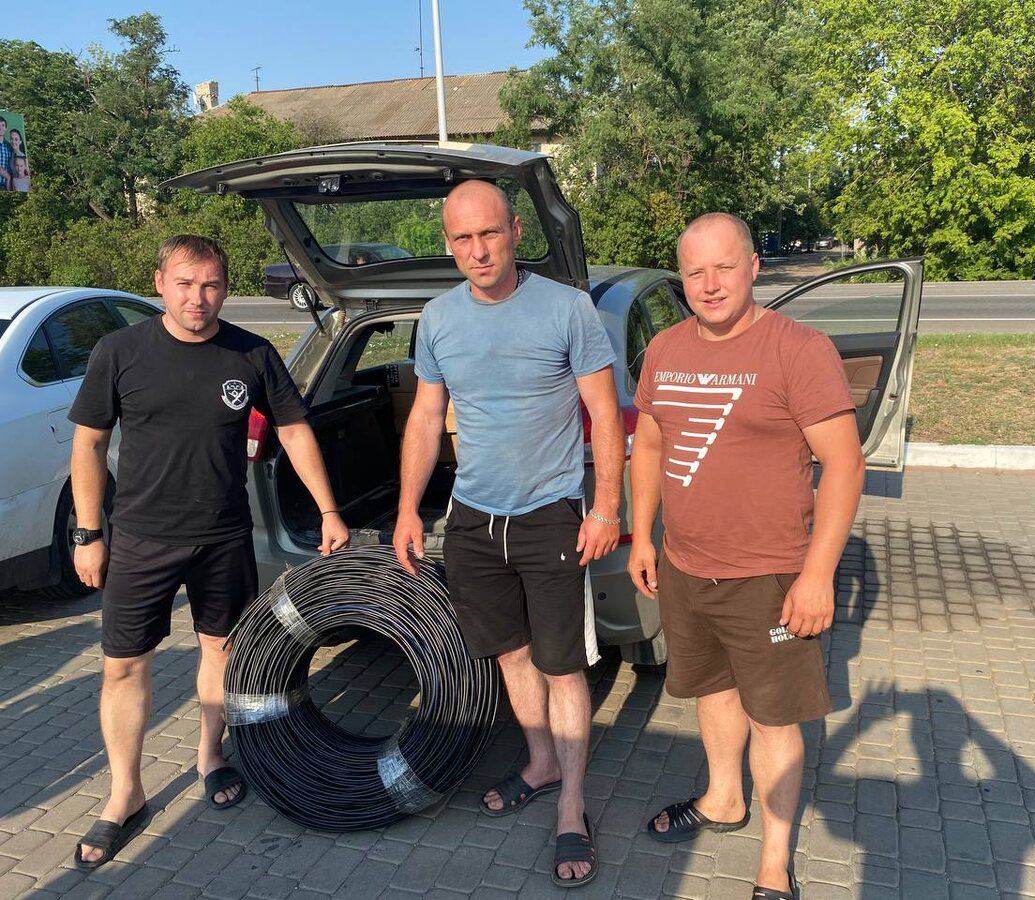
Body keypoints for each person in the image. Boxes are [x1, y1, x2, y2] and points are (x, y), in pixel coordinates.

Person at [69, 235, 350, 869]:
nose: (198, 298)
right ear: (159, 283)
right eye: (185, 283)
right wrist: (88, 534)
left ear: (225, 288)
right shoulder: (120, 352)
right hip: (139, 538)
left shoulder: (252, 352)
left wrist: (330, 510)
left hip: (224, 536)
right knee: (123, 667)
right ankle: (125, 793)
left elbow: (294, 430)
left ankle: (210, 755)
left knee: (220, 652)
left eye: (211, 285)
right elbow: (89, 445)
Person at [392, 180, 624, 889]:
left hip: (550, 515)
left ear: (516, 231)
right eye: (463, 238)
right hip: (471, 519)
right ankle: (541, 761)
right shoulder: (438, 318)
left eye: (489, 233)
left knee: (562, 665)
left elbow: (604, 415)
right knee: (511, 654)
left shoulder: (567, 308)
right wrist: (407, 509)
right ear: (448, 243)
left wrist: (605, 508)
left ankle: (573, 805)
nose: (479, 250)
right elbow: (426, 417)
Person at [627, 213, 865, 900]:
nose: (709, 285)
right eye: (694, 272)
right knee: (711, 691)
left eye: (724, 268)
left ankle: (774, 863)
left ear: (754, 267)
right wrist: (642, 536)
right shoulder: (666, 348)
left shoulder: (798, 349)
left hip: (769, 573)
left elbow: (844, 466)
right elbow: (650, 445)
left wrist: (816, 576)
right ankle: (723, 798)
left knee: (773, 717)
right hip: (685, 565)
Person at [0, 117, 11, 190]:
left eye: (2, 125)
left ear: (5, 128)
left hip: (6, 186)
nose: (0, 128)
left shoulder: (9, 146)